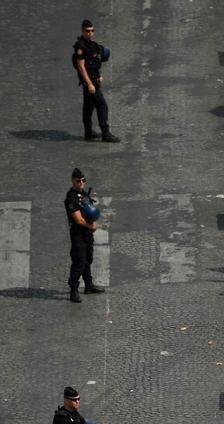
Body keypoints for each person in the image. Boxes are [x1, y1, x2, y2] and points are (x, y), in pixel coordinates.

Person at [64, 167, 105, 304]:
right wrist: (91, 226)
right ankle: (73, 290)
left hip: (87, 234)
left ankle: (89, 285)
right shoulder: (71, 198)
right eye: (78, 181)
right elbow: (78, 219)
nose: (81, 183)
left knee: (88, 259)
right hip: (78, 235)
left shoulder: (84, 195)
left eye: (83, 180)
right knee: (79, 261)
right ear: (73, 181)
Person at [73, 20, 118, 142]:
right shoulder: (80, 46)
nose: (90, 33)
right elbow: (81, 67)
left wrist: (99, 76)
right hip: (90, 82)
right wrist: (89, 84)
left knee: (88, 105)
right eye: (87, 31)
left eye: (92, 30)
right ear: (83, 31)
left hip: (93, 80)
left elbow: (94, 63)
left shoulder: (92, 45)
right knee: (102, 105)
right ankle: (106, 134)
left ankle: (88, 132)